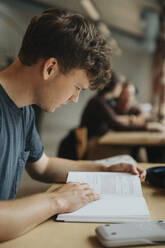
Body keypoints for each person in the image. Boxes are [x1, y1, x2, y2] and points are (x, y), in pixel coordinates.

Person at [0, 8, 146, 241]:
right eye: (77, 88)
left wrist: (104, 169)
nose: (74, 99)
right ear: (50, 68)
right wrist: (56, 200)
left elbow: (44, 167)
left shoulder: (24, 109)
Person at [80, 79, 164, 140]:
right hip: (97, 142)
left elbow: (145, 114)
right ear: (118, 94)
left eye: (131, 94)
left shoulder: (134, 109)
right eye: (125, 94)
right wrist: (134, 120)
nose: (128, 98)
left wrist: (140, 116)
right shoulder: (107, 105)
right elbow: (117, 124)